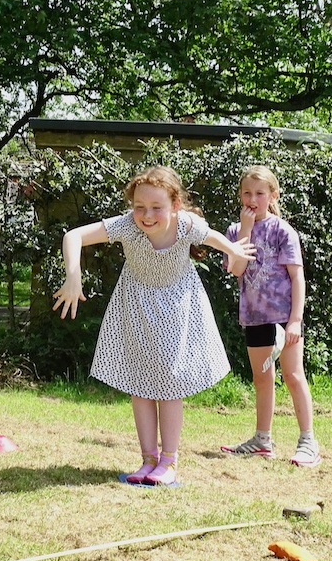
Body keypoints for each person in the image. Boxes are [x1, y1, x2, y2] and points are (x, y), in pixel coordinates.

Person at [52, 165, 256, 486]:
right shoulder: (128, 226)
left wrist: (231, 248)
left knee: (170, 381)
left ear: (175, 205)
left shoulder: (186, 225)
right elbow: (73, 236)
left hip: (177, 306)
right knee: (141, 381)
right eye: (139, 207)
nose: (147, 215)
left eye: (156, 208)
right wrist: (73, 276)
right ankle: (148, 459)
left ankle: (169, 461)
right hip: (135, 306)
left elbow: (211, 236)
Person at [220, 165, 320, 467]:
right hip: (254, 317)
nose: (252, 199)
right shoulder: (234, 232)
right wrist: (246, 231)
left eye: (259, 193)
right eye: (247, 193)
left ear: (272, 196)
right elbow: (235, 269)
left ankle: (308, 442)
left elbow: (297, 278)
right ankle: (262, 440)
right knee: (262, 379)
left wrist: (295, 320)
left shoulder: (283, 231)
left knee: (292, 375)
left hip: (282, 318)